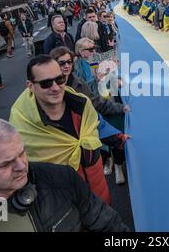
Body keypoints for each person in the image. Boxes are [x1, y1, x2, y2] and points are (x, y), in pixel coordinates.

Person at [0, 118, 130, 231]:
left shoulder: (62, 179)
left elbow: (111, 227)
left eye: (22, 153)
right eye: (6, 163)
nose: (21, 165)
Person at [9, 55, 127, 204]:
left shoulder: (81, 104)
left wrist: (120, 139)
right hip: (65, 205)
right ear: (30, 85)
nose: (56, 88)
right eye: (46, 83)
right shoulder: (22, 125)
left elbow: (98, 124)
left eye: (59, 79)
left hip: (99, 193)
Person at [50, 47, 130, 184]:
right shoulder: (46, 86)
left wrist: (122, 108)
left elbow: (97, 104)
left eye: (69, 62)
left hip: (82, 140)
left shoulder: (79, 84)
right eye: (62, 63)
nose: (66, 65)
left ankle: (112, 164)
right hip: (59, 143)